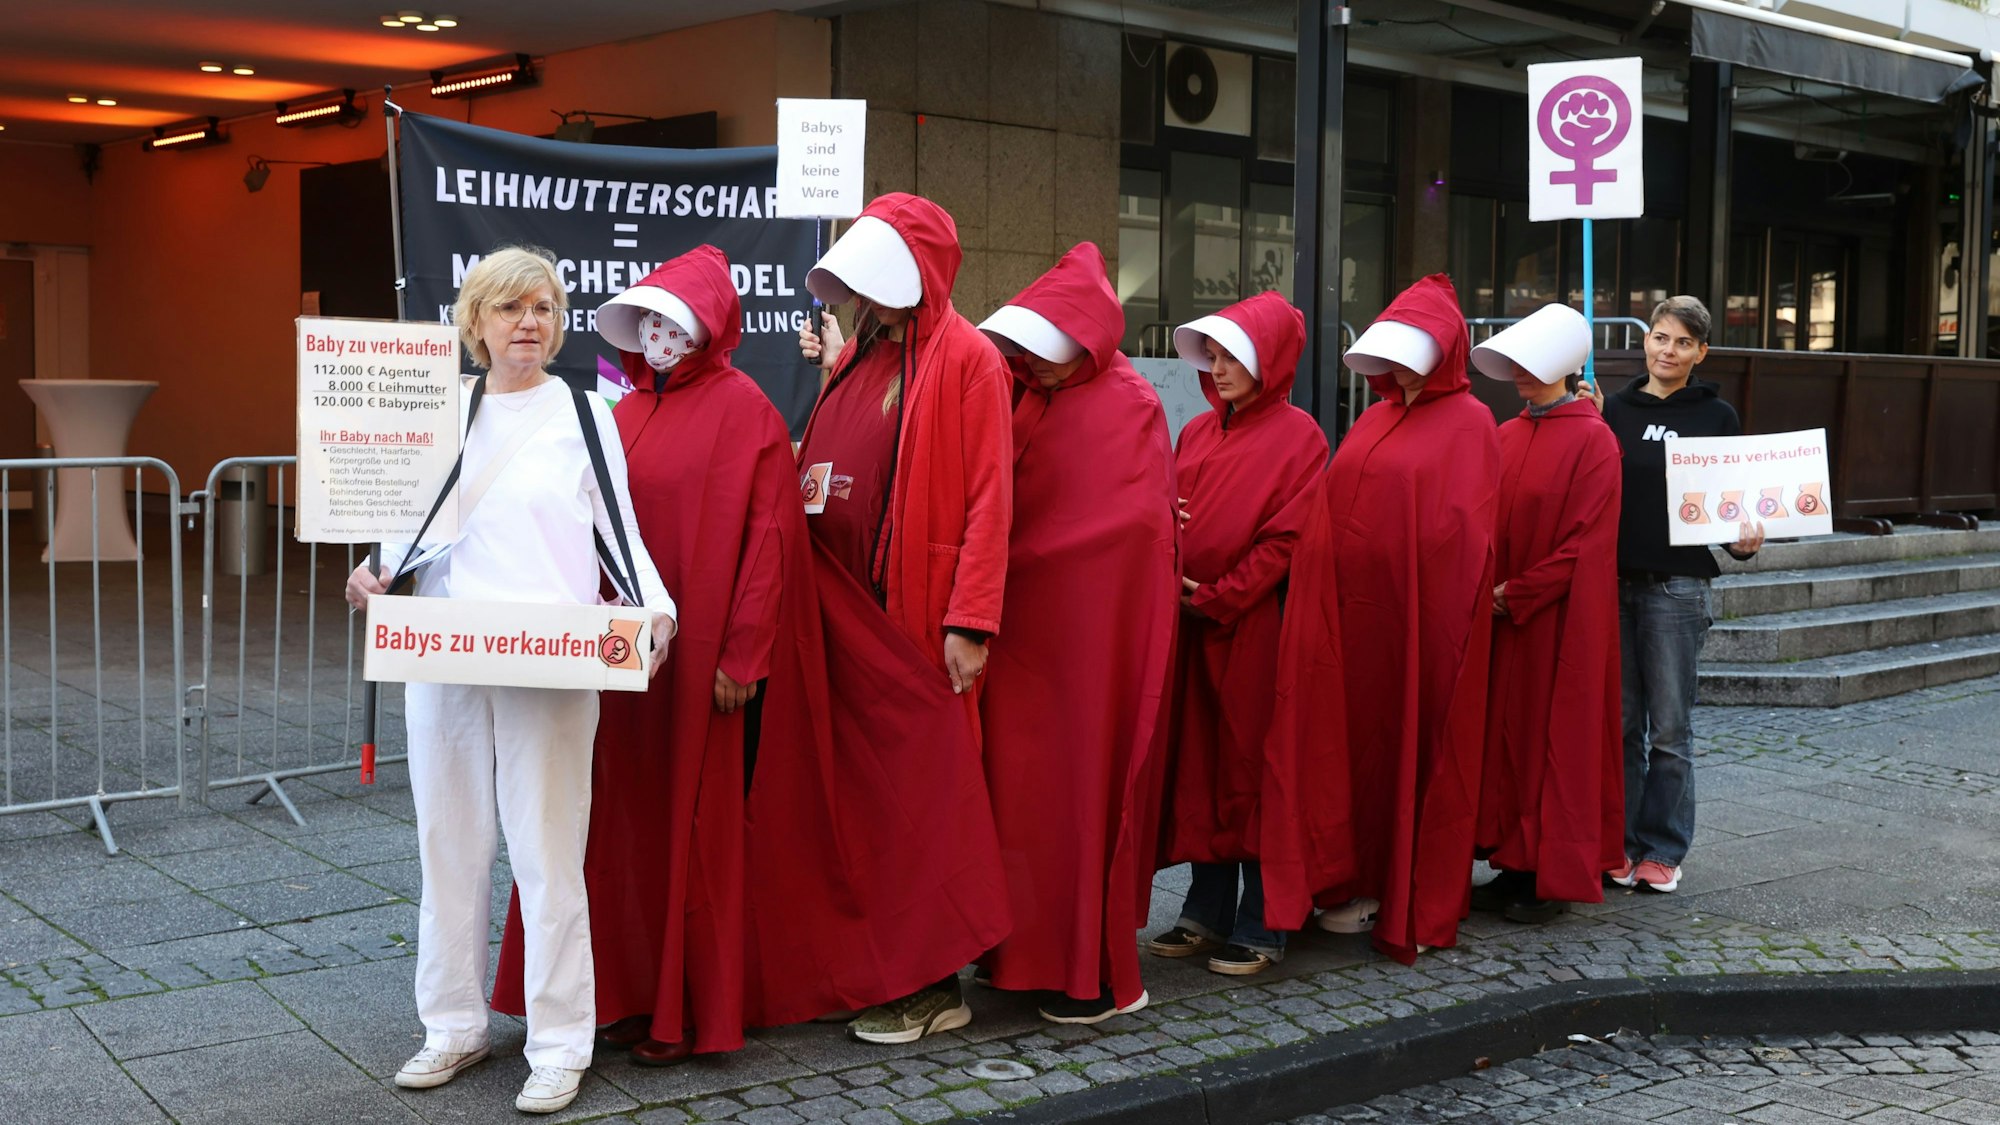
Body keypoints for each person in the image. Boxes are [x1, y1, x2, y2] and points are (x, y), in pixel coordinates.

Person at [345, 246, 678, 1115]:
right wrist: (373, 569)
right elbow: (407, 522)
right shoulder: (442, 407)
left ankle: (561, 1041)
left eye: (540, 305)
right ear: (475, 320)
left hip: (549, 656)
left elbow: (617, 528)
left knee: (547, 853)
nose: (526, 320)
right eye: (507, 306)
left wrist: (654, 608)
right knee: (446, 847)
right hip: (445, 650)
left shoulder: (585, 412)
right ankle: (453, 1023)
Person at [489, 245, 793, 1065]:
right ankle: (613, 994)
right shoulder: (617, 415)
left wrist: (743, 653)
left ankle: (684, 1010)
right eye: (648, 322)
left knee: (690, 833)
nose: (658, 336)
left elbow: (771, 540)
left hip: (696, 673)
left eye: (674, 323)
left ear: (705, 330)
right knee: (607, 830)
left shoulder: (750, 411)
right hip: (613, 665)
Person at [767, 192, 1013, 1044]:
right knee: (868, 802)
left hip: (913, 621)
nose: (861, 300)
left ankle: (932, 980)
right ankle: (880, 962)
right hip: (842, 614)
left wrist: (971, 620)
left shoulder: (972, 360)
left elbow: (990, 497)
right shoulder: (861, 354)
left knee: (919, 801)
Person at [1259, 274, 1499, 965]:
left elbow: (1464, 533)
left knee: (1413, 744)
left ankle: (1407, 888)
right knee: (1355, 745)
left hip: (1421, 623)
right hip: (1355, 619)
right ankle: (1352, 877)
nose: (1396, 365)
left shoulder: (1471, 423)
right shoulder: (1374, 415)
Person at [973, 242, 1178, 1022]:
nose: (1030, 360)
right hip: (1023, 639)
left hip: (1088, 649)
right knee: (1021, 809)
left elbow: (1129, 530)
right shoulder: (1031, 397)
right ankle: (1021, 957)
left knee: (1076, 803)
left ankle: (1085, 968)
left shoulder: (1130, 402)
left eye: (1042, 350)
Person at [1148, 291, 1326, 977]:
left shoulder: (1301, 437)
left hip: (1253, 629)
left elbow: (1287, 537)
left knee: (1253, 768)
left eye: (1232, 356)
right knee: (1201, 764)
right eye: (1213, 355)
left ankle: (1263, 920)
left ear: (1268, 360)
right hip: (1193, 627)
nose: (1217, 367)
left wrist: (1221, 595)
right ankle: (1206, 906)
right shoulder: (1195, 432)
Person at [1588, 295, 1762, 894]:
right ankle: (1622, 843)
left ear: (1701, 352)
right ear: (1646, 341)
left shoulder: (1718, 418)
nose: (1669, 350)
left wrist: (1743, 543)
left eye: (1683, 342)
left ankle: (1663, 848)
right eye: (1661, 337)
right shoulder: (1613, 409)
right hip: (1613, 584)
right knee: (1620, 724)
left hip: (1677, 589)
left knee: (1670, 729)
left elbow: (1732, 512)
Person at [1467, 304, 1624, 924]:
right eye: (1516, 366)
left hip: (1552, 623)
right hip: (1500, 616)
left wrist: (1519, 592)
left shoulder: (1594, 440)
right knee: (1503, 742)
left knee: (1544, 740)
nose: (1520, 377)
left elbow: (1587, 543)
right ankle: (1511, 859)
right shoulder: (1503, 435)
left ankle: (1544, 872)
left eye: (1532, 366)